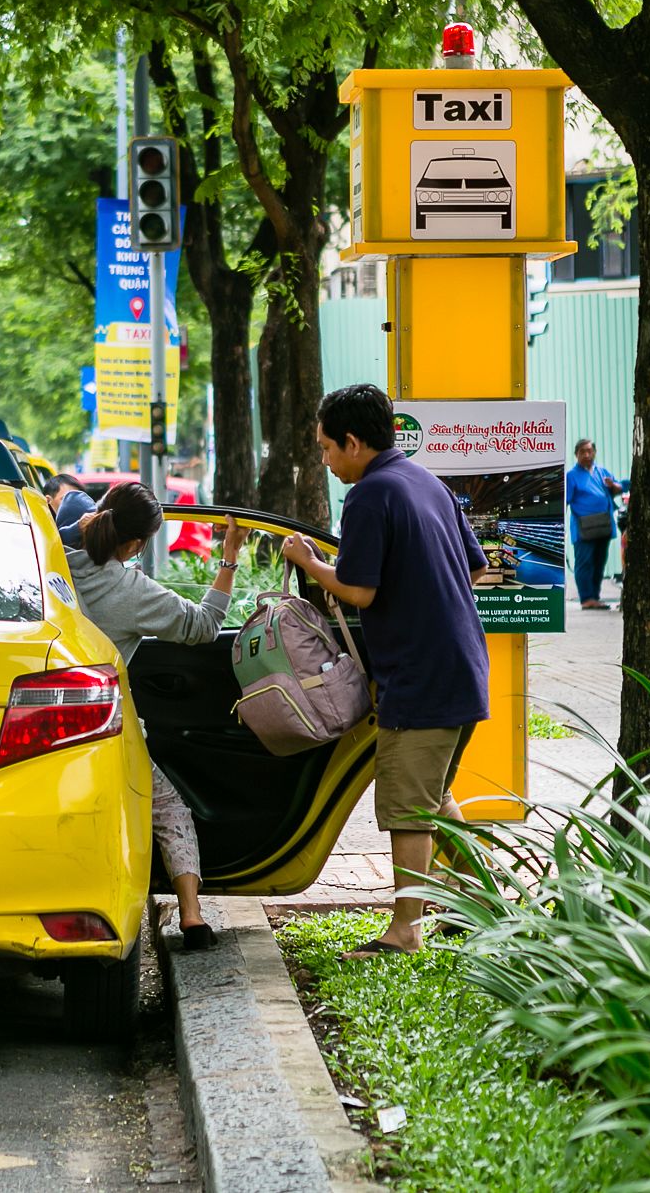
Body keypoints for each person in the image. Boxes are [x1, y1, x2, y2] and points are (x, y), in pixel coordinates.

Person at [282, 384, 489, 958]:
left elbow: (359, 591)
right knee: (433, 795)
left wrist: (308, 562)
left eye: (327, 449)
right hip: (463, 664)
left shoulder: (371, 495)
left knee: (407, 806)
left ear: (353, 442)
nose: (325, 461)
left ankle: (405, 931)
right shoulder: (428, 482)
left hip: (420, 675)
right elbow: (474, 569)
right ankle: (489, 904)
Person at [64, 482, 250, 951]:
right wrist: (229, 557)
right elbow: (204, 626)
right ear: (136, 544)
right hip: (106, 728)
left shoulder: (53, 566)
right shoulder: (132, 590)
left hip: (39, 721)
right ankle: (191, 917)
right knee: (167, 808)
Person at [565, 439, 623, 610]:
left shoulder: (601, 471)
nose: (587, 455)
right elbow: (566, 501)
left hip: (603, 525)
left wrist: (613, 486)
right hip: (583, 527)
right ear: (576, 454)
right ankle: (586, 598)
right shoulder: (571, 476)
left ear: (594, 452)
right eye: (582, 451)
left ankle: (594, 598)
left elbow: (617, 488)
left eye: (590, 451)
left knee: (599, 562)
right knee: (584, 562)